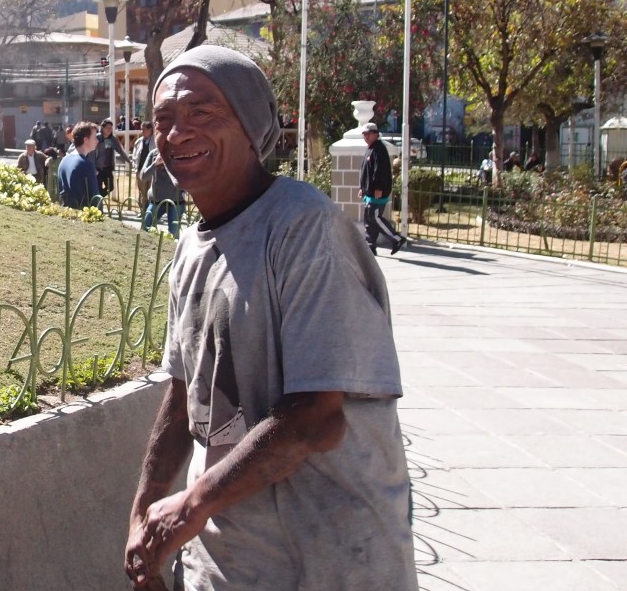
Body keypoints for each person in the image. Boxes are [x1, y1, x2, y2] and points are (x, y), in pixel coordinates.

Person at [124, 45, 416, 591]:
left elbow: (316, 417)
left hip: (331, 562)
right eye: (163, 120)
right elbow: (185, 392)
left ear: (252, 126)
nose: (176, 133)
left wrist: (190, 504)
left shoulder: (305, 230)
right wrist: (142, 515)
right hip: (231, 565)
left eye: (202, 114)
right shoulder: (190, 247)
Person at [359, 121, 406, 256]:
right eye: (364, 134)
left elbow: (381, 171)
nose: (366, 137)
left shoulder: (379, 149)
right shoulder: (370, 149)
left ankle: (396, 239)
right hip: (369, 192)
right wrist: (362, 188)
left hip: (377, 192)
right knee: (369, 218)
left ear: (376, 134)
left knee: (375, 218)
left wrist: (379, 187)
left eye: (368, 134)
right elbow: (366, 171)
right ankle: (370, 245)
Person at [138, 146, 181, 239]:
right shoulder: (153, 153)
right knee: (145, 229)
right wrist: (155, 163)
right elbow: (143, 176)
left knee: (174, 236)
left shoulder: (178, 153)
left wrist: (169, 163)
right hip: (156, 200)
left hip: (175, 200)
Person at [57, 121, 99, 209]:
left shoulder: (64, 160)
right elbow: (95, 198)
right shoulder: (86, 164)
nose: (97, 141)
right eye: (95, 137)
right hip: (82, 215)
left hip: (66, 212)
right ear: (86, 139)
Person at [93, 118, 130, 197]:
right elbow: (91, 153)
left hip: (108, 168)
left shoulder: (112, 139)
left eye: (111, 128)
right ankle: (97, 202)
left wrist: (129, 161)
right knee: (97, 188)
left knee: (110, 187)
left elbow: (120, 150)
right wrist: (93, 167)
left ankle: (99, 197)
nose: (109, 130)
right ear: (102, 128)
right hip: (98, 169)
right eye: (107, 128)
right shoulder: (97, 138)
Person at [132, 121, 155, 210]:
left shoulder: (155, 141)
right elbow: (134, 156)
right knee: (142, 192)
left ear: (150, 130)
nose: (142, 131)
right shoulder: (138, 142)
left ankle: (150, 211)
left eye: (144, 129)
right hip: (141, 171)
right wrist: (135, 168)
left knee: (151, 192)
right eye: (141, 129)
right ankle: (142, 211)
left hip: (152, 171)